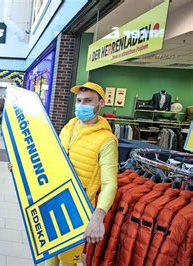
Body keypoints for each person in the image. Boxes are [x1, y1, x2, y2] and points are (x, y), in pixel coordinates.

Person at [8, 82, 118, 266]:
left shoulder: (107, 140)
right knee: (49, 258)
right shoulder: (69, 127)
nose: (82, 105)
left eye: (88, 101)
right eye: (79, 100)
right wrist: (21, 167)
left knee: (68, 261)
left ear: (101, 103)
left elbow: (109, 183)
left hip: (77, 211)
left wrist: (97, 217)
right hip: (53, 201)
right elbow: (51, 160)